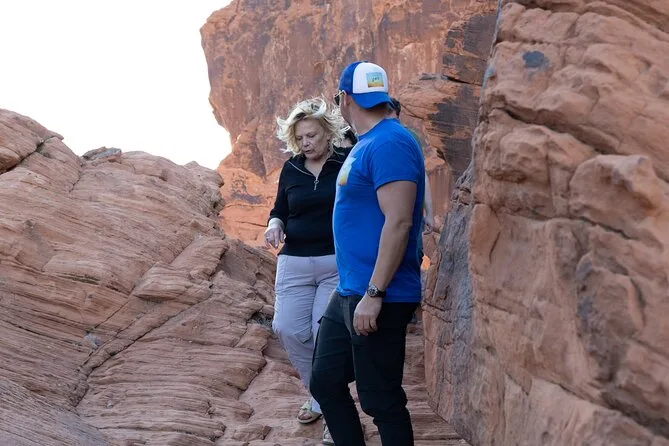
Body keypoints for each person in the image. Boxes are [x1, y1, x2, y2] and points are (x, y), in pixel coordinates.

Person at [310, 61, 425, 446]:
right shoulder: (368, 142)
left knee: (381, 399)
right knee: (325, 382)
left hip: (380, 294)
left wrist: (375, 293)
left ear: (344, 98)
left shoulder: (391, 142)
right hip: (350, 291)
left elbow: (399, 222)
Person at [264, 97, 350, 445]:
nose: (306, 143)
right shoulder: (292, 168)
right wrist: (274, 225)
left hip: (334, 263)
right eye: (299, 138)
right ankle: (319, 394)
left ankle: (334, 411)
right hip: (294, 262)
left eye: (311, 136)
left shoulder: (346, 161)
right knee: (286, 328)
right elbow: (279, 210)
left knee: (323, 335)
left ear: (328, 133)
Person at [386, 97, 434, 235]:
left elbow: (422, 175)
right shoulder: (379, 137)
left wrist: (430, 214)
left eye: (388, 112)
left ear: (396, 113)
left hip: (409, 212)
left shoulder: (410, 136)